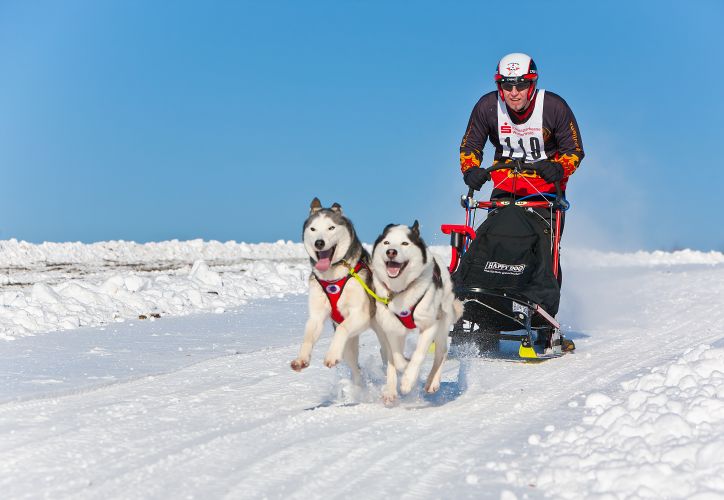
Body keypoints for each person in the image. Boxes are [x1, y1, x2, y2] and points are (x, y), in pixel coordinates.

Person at [458, 52, 584, 351]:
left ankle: (544, 321)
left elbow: (575, 150)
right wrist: (471, 170)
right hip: (504, 189)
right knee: (495, 245)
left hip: (545, 194)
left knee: (544, 253)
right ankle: (487, 315)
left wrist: (560, 166)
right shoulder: (487, 106)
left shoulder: (553, 107)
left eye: (521, 85)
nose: (513, 92)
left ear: (533, 83)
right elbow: (470, 144)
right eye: (507, 85)